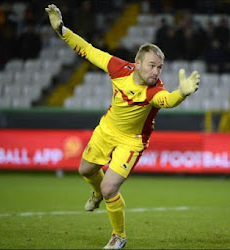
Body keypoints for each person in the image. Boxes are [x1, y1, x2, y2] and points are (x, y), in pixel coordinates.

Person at [45, 4, 200, 249]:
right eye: (151, 65)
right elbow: (88, 50)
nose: (156, 71)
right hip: (107, 129)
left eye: (159, 67)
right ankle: (95, 193)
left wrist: (181, 93)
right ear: (137, 63)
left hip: (132, 140)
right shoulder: (119, 68)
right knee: (85, 170)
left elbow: (166, 101)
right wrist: (61, 30)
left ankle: (119, 236)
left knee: (109, 188)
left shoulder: (154, 90)